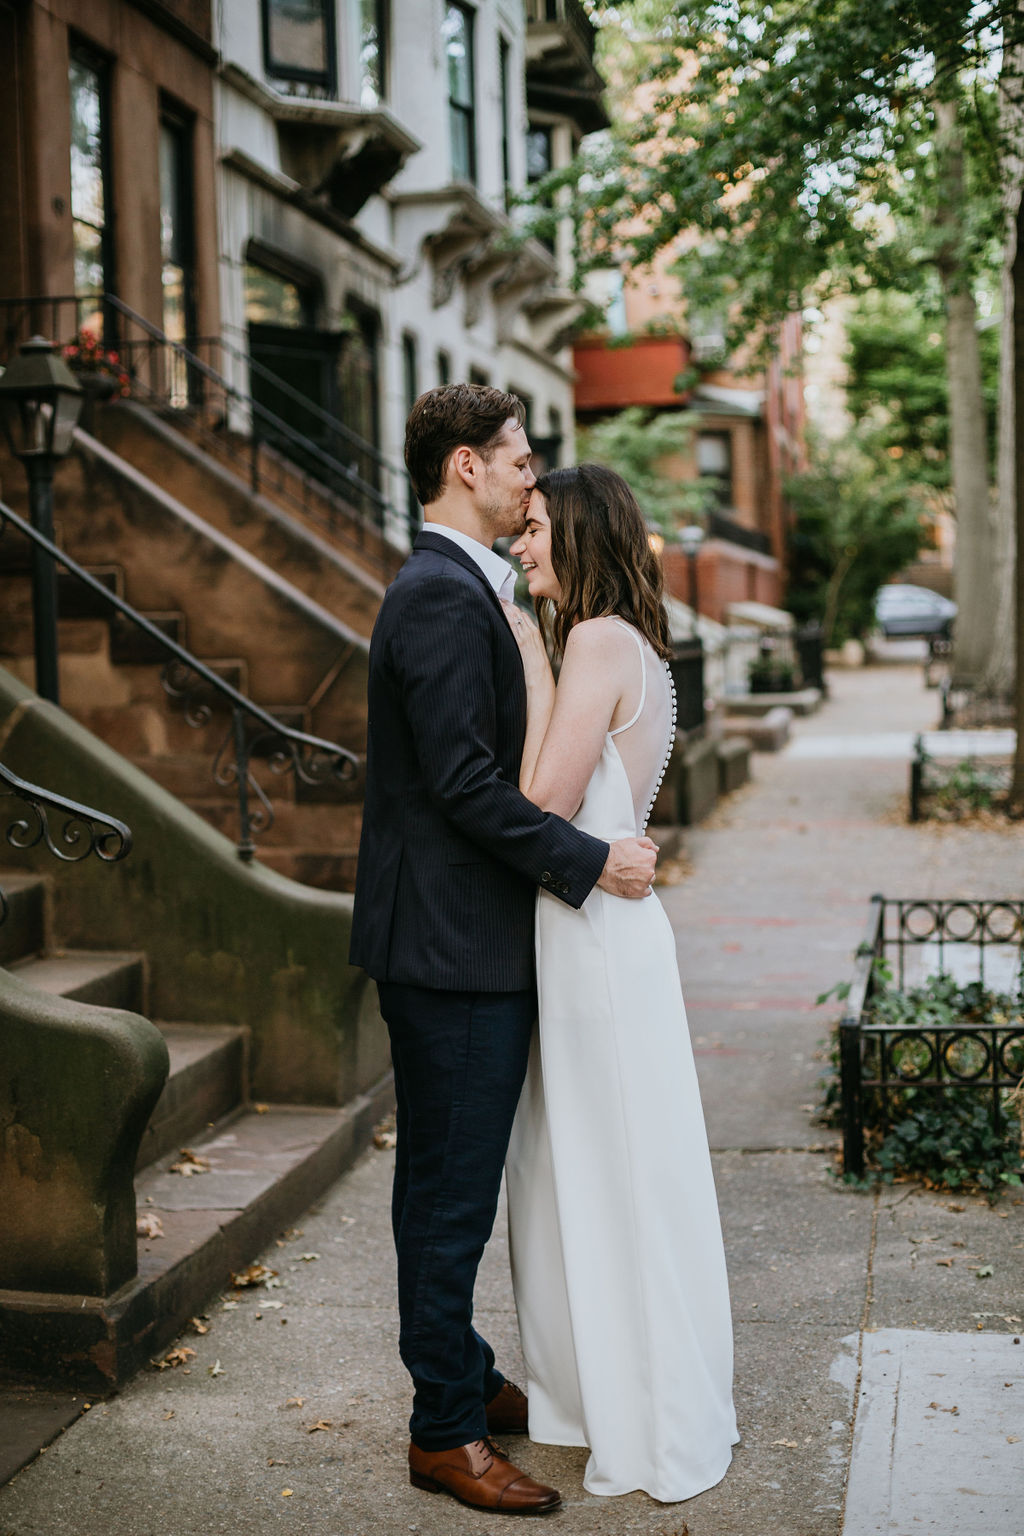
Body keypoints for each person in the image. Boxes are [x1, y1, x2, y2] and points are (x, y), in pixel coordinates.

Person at [349, 387, 659, 1516]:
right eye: (520, 461)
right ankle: (443, 1430)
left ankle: (466, 1378)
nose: (535, 478)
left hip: (467, 939)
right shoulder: (436, 596)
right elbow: (464, 787)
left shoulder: (466, 588)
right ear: (466, 468)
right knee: (446, 1194)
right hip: (450, 947)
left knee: (446, 1180)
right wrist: (590, 862)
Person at [504, 462, 738, 1503]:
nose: (521, 545)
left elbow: (542, 799)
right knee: (604, 1166)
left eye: (536, 528)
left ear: (579, 534)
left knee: (613, 1171)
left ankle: (646, 1415)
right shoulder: (626, 644)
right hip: (602, 925)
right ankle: (610, 1392)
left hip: (595, 936)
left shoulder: (594, 643)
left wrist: (524, 653)